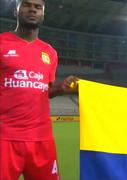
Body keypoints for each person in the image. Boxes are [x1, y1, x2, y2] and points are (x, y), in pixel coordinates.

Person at [0, 0, 78, 179]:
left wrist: (60, 89)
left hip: (42, 138)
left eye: (38, 7)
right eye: (27, 5)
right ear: (16, 11)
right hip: (5, 138)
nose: (32, 10)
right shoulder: (2, 43)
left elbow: (45, 91)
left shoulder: (50, 53)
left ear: (43, 14)